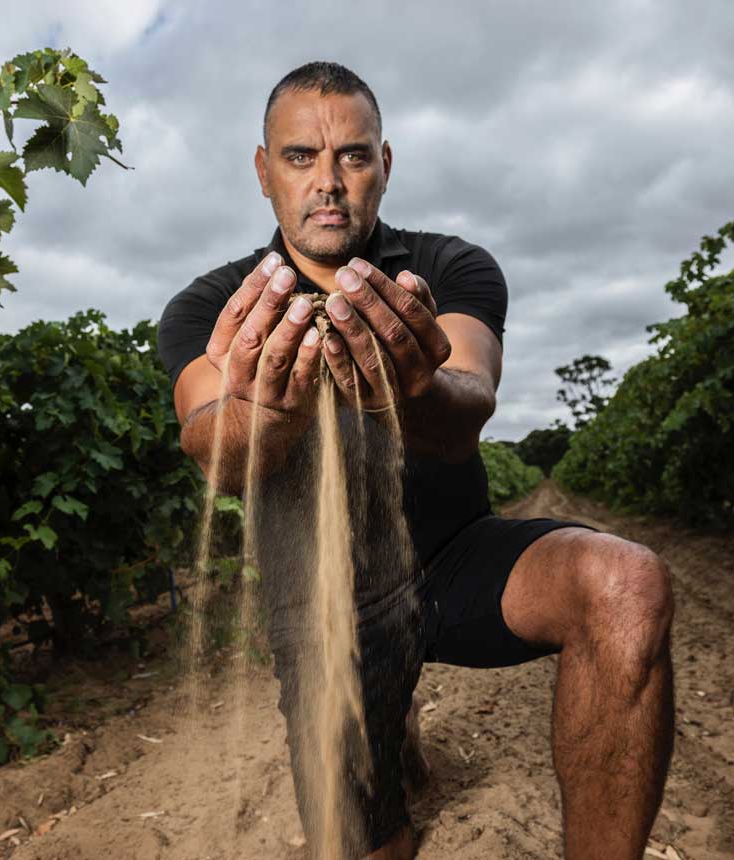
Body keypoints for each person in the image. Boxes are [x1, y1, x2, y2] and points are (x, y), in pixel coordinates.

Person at [156, 60, 675, 860]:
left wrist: (405, 388)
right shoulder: (212, 306)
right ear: (264, 172)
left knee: (626, 582)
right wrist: (267, 414)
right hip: (325, 603)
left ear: (384, 166)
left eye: (352, 156)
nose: (328, 181)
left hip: (456, 561)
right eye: (300, 157)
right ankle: (392, 734)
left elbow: (468, 404)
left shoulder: (447, 268)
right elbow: (215, 449)